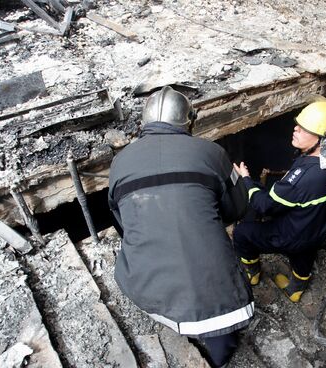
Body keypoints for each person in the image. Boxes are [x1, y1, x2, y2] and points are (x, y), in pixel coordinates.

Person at [108, 86, 253, 367]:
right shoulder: (212, 153)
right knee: (221, 322)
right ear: (190, 121)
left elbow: (123, 220)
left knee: (170, 297)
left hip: (142, 281)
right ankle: (218, 358)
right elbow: (237, 209)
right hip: (209, 289)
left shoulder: (120, 161)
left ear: (144, 124)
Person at [232, 97, 326, 302]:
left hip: (291, 234)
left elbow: (264, 206)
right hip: (318, 228)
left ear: (322, 139)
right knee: (305, 254)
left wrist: (246, 180)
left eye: (304, 129)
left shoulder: (302, 179)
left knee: (242, 233)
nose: (295, 129)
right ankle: (296, 289)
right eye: (298, 125)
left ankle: (252, 273)